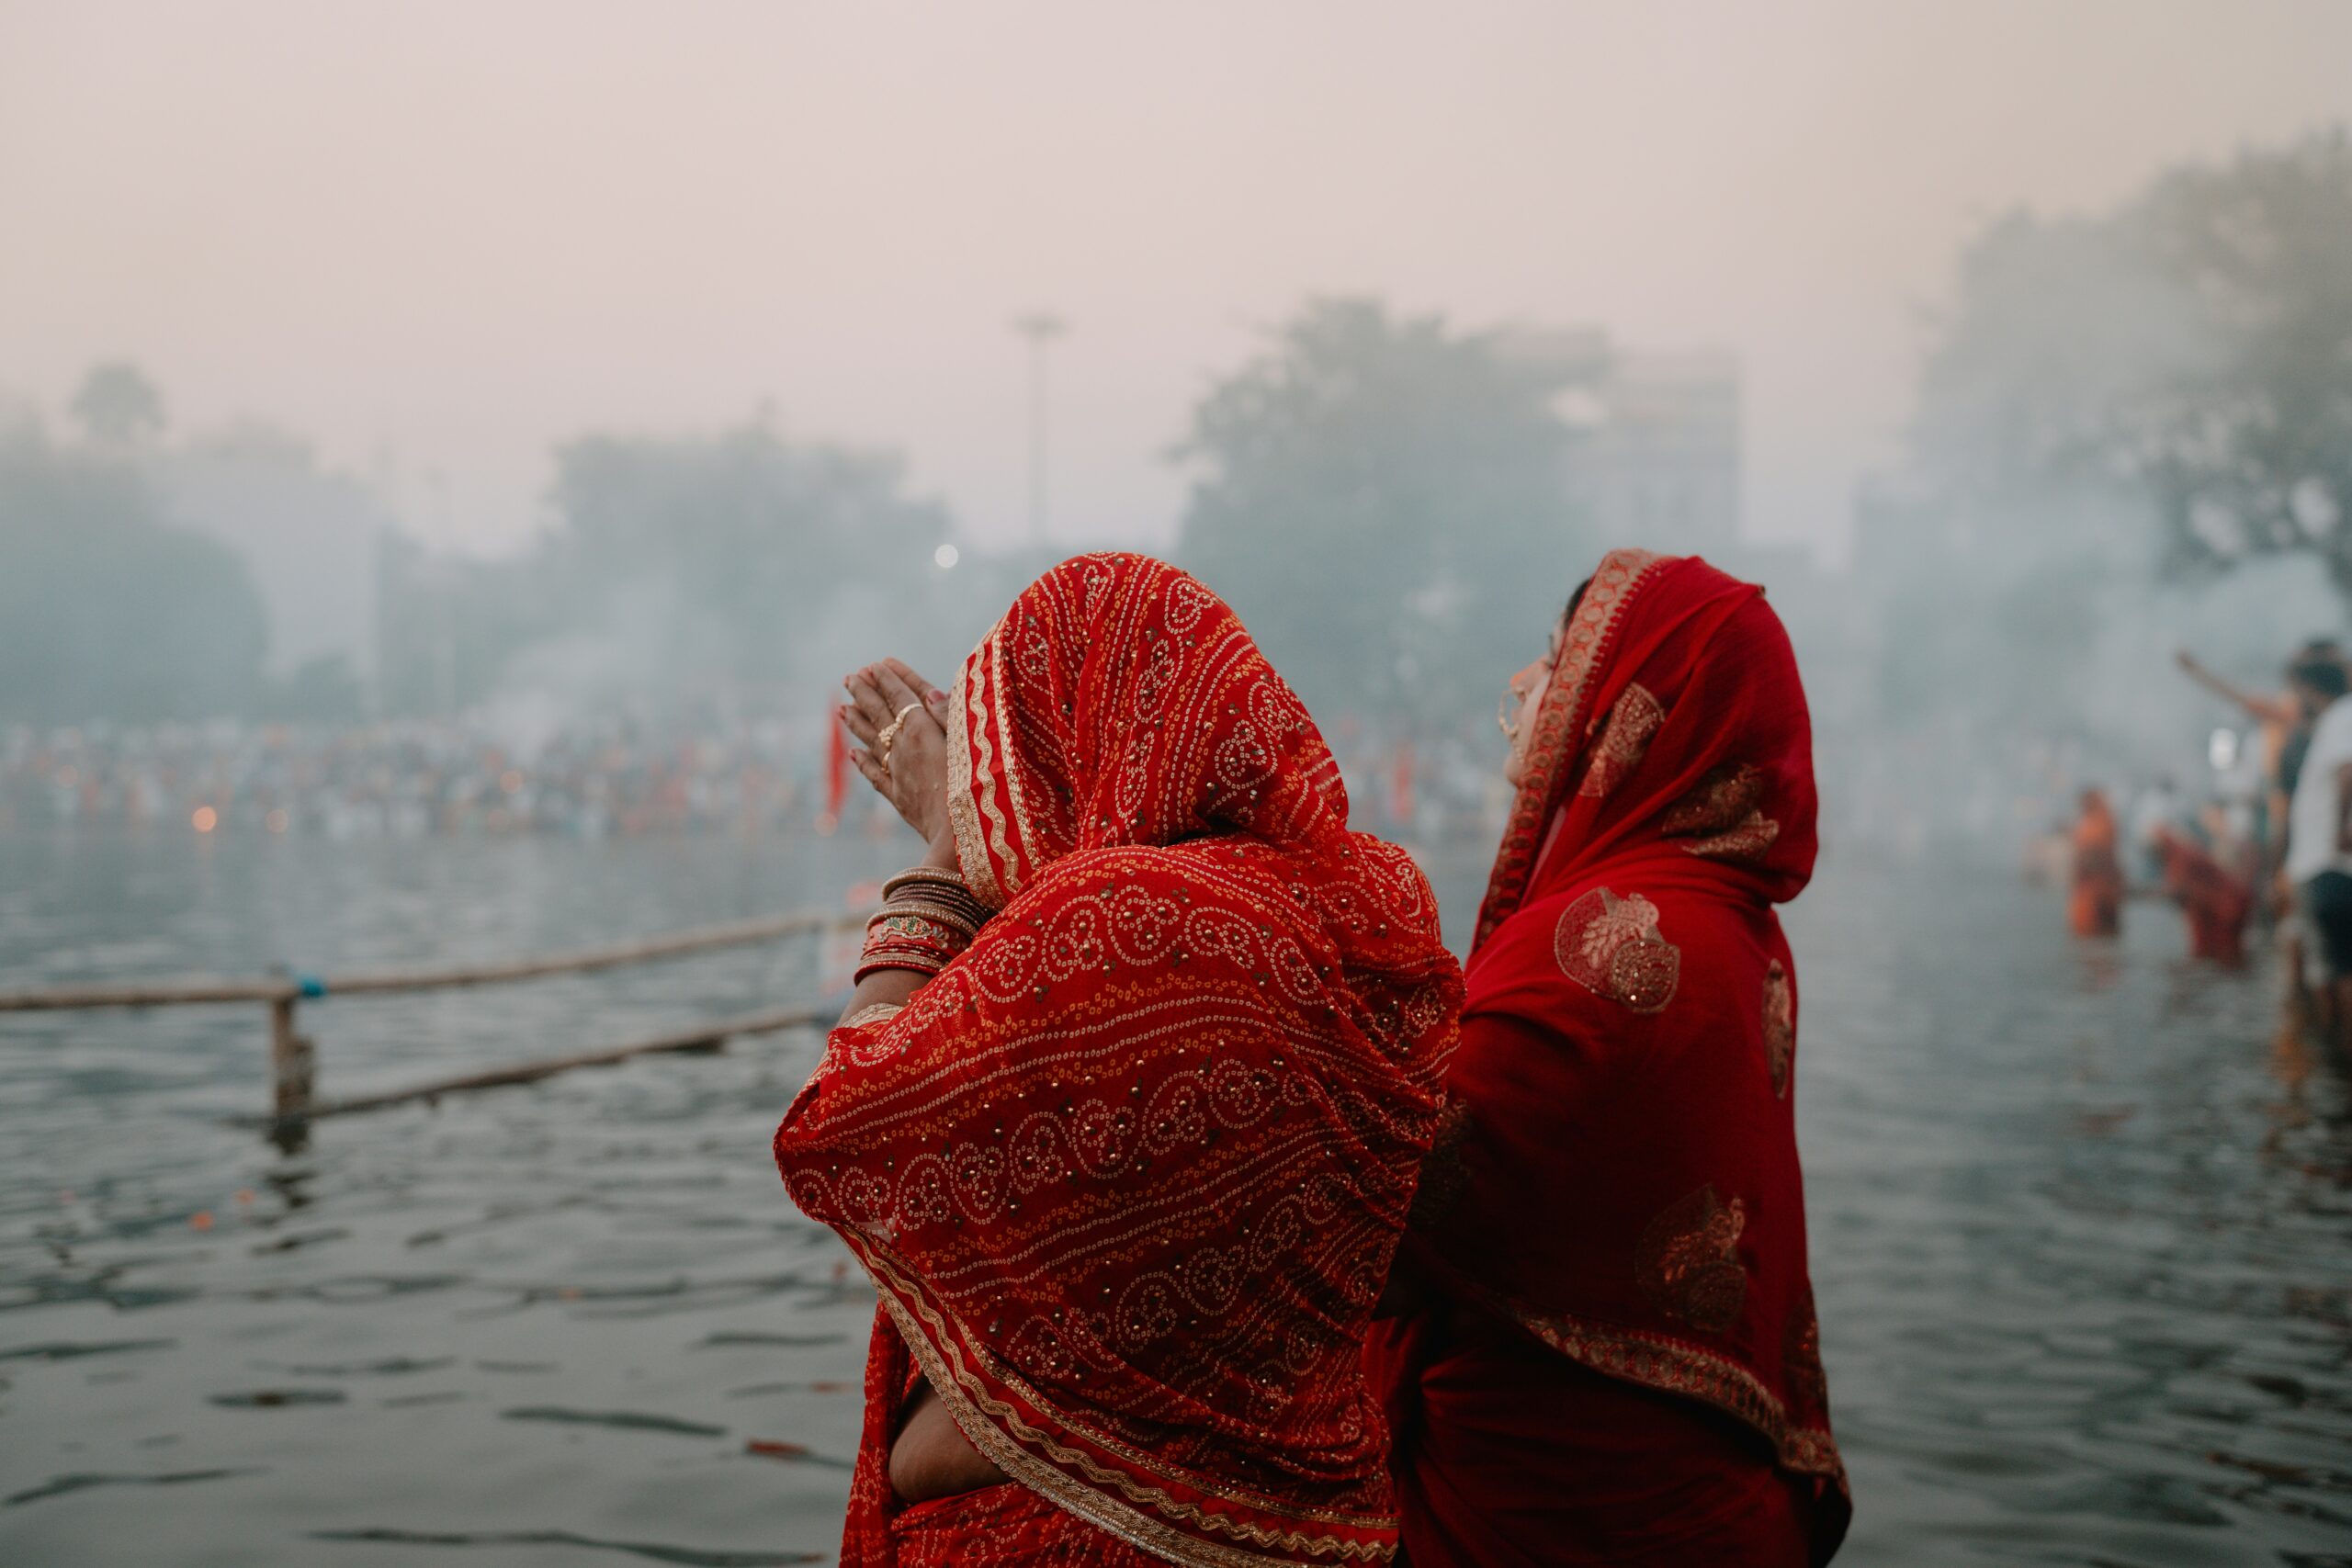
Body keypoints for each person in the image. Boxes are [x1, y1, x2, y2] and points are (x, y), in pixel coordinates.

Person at [773, 553, 1464, 1566]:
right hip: (1317, 1520)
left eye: (1009, 743)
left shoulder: (1113, 923)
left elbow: (838, 1120)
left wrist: (941, 863)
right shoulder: (1369, 900)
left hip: (1094, 1530)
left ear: (1071, 732)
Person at [1367, 547, 1849, 1567]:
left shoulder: (1605, 948)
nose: (1524, 684)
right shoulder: (1731, 923)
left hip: (1559, 1519)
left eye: (1556, 658)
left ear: (1632, 707)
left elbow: (1374, 1233)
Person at [2284, 654, 2352, 1059]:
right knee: (2332, 970)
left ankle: (2343, 1064)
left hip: (2332, 864)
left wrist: (2344, 828)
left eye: (2298, 691)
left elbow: (2348, 771)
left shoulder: (2343, 714)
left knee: (2342, 970)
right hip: (2324, 863)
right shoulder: (2333, 721)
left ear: (2311, 690)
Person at [2150, 821, 2253, 965]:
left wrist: (2159, 894)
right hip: (2214, 908)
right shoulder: (2177, 856)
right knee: (2212, 954)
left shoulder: (2181, 856)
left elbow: (2180, 889)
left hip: (2226, 907)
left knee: (2225, 953)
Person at [2069, 788, 2124, 938]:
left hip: (2099, 888)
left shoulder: (2103, 822)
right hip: (2090, 889)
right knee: (2091, 934)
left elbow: (2103, 854)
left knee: (2097, 933)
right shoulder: (2089, 823)